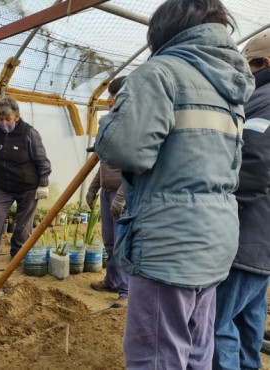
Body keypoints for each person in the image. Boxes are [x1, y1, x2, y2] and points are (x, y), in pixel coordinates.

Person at [94, 0, 255, 368]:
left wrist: (110, 124)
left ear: (163, 31)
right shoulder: (229, 82)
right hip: (215, 240)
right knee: (196, 349)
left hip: (168, 243)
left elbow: (123, 149)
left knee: (155, 355)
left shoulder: (161, 73)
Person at [213, 29, 270, 370]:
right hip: (262, 238)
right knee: (248, 318)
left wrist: (223, 209)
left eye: (250, 64)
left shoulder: (264, 98)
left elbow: (256, 161)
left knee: (218, 321)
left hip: (248, 233)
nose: (246, 71)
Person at [0, 96, 51, 268]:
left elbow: (42, 159)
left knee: (23, 224)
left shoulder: (29, 133)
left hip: (27, 187)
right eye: (1, 119)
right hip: (2, 186)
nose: (4, 122)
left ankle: (18, 254)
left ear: (17, 116)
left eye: (8, 119)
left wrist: (44, 182)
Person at [86, 76, 128, 308]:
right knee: (110, 242)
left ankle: (125, 291)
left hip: (122, 195)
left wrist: (121, 197)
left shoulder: (131, 125)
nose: (109, 99)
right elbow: (103, 163)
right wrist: (94, 189)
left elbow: (133, 168)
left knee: (121, 243)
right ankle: (112, 280)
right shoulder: (111, 123)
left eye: (113, 95)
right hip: (107, 192)